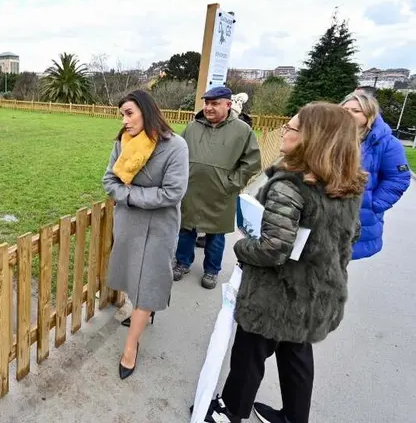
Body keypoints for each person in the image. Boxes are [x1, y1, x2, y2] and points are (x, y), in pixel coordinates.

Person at [202, 102, 367, 423]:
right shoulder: (345, 185)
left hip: (275, 296)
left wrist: (241, 248)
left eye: (291, 128)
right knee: (297, 355)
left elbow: (272, 249)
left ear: (312, 139)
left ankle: (230, 413)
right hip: (318, 292)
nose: (285, 133)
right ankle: (293, 416)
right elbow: (351, 235)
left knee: (249, 356)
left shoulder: (290, 186)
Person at [102, 89, 189, 379]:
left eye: (129, 113)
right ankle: (145, 313)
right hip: (128, 225)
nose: (124, 121)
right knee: (131, 279)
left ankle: (130, 347)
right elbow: (109, 180)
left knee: (147, 284)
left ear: (146, 111)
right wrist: (129, 194)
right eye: (122, 115)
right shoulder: (123, 143)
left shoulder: (175, 146)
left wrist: (130, 194)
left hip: (158, 228)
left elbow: (173, 193)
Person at [174, 86, 261, 290]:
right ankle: (182, 263)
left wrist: (231, 183)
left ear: (228, 105)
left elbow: (252, 163)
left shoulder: (242, 131)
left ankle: (212, 271)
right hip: (192, 190)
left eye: (215, 103)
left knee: (216, 234)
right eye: (207, 103)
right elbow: (177, 152)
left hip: (221, 193)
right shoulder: (193, 127)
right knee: (186, 229)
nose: (209, 108)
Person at [340, 92, 410, 260]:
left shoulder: (387, 143)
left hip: (358, 216)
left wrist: (373, 205)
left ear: (369, 115)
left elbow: (398, 179)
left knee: (338, 265)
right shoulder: (330, 137)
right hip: (325, 212)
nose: (348, 114)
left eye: (356, 111)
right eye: (345, 109)